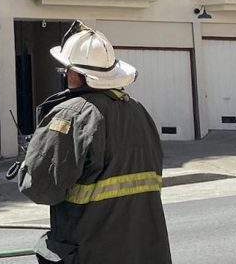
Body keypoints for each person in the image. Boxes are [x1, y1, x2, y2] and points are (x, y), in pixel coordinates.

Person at [17, 21, 171, 264]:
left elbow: (41, 188)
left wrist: (28, 164)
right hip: (144, 250)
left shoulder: (71, 114)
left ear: (73, 73)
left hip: (90, 249)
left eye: (66, 68)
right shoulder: (137, 110)